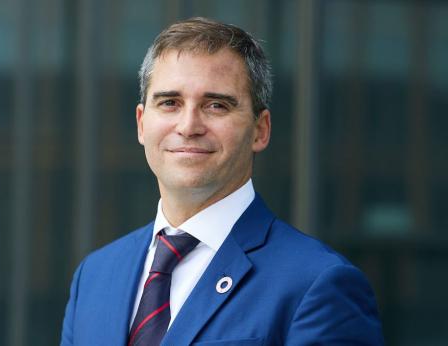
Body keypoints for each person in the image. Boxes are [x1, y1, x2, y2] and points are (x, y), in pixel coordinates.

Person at [61, 17, 383, 346]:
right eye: (170, 103)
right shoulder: (95, 276)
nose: (188, 126)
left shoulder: (317, 284)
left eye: (216, 105)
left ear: (261, 130)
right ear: (142, 124)